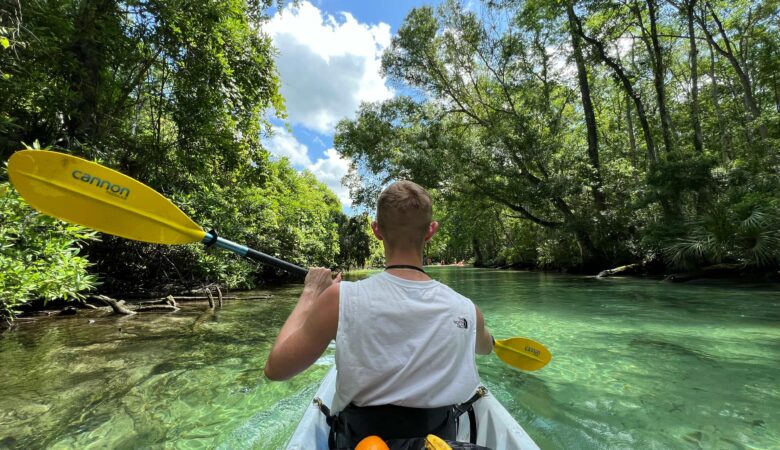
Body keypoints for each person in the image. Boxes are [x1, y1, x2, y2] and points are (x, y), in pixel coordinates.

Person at [264, 181, 494, 447]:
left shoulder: (339, 298)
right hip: (439, 440)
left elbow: (276, 369)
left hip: (360, 439)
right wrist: (485, 335)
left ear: (376, 230)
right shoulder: (467, 309)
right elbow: (486, 347)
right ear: (431, 231)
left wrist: (311, 292)